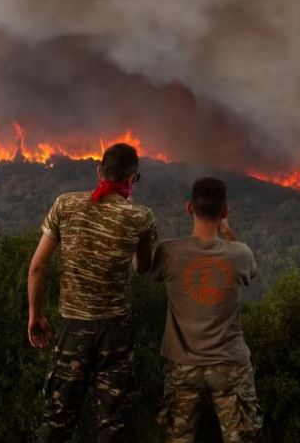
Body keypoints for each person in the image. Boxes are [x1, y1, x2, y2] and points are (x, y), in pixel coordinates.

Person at [27, 142, 158, 443]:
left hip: (73, 328)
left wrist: (35, 315)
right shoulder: (141, 217)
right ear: (132, 179)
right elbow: (142, 267)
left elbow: (37, 267)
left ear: (99, 171)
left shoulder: (65, 204)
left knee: (57, 421)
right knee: (114, 425)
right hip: (116, 331)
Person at [149, 177, 263, 443]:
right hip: (230, 364)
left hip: (183, 367)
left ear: (190, 207)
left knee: (177, 438)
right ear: (225, 212)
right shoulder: (240, 254)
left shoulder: (169, 252)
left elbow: (144, 268)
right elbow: (252, 270)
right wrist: (228, 232)